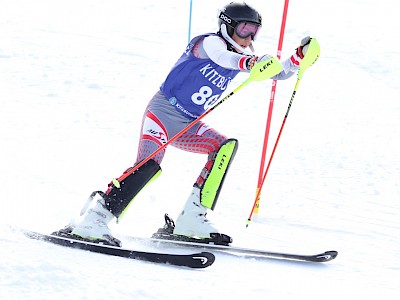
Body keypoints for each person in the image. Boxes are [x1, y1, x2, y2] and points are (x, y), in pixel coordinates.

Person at [56, 2, 312, 246]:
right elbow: (224, 59)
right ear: (228, 25)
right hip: (163, 113)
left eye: (254, 31)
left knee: (224, 147)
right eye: (245, 29)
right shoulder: (210, 42)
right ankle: (94, 221)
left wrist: (299, 58)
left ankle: (191, 220)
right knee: (148, 166)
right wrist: (251, 62)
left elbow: (279, 72)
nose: (249, 37)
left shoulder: (244, 54)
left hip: (188, 124)